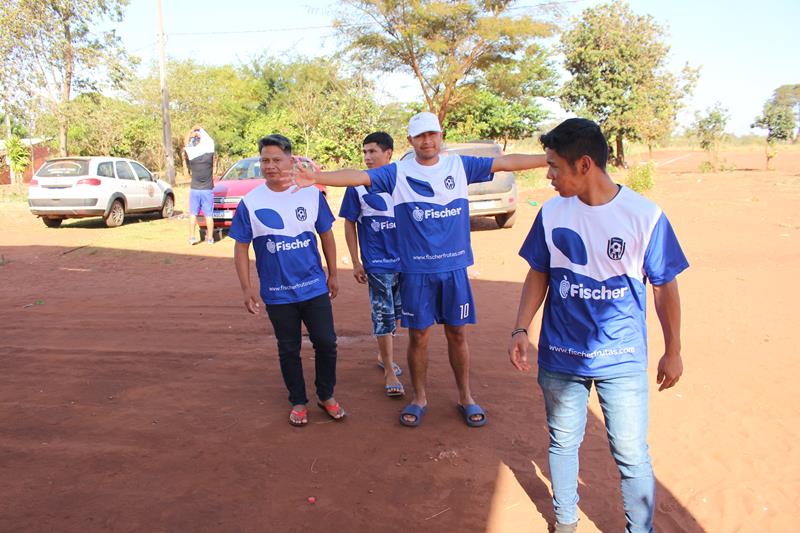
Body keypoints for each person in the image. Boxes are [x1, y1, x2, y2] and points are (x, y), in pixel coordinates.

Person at [293, 111, 548, 428]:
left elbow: (506, 163)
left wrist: (547, 158)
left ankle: (465, 397)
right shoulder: (397, 172)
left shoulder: (459, 165)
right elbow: (358, 177)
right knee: (419, 337)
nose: (427, 141)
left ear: (440, 136)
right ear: (410, 141)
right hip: (415, 272)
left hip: (454, 268)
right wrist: (317, 177)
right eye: (420, 136)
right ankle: (420, 398)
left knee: (457, 334)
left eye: (433, 134)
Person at [507, 118, 688, 533]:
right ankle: (565, 523)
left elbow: (664, 286)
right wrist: (521, 328)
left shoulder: (645, 215)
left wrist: (673, 349)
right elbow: (539, 271)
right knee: (563, 442)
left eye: (554, 167)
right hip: (560, 356)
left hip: (621, 357)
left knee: (630, 454)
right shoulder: (552, 214)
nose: (548, 176)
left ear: (584, 164)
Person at [229, 134, 345, 427]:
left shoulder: (310, 194)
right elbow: (241, 246)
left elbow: (327, 235)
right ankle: (298, 400)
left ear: (290, 161)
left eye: (276, 160)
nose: (270, 166)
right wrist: (246, 289)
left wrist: (332, 273)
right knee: (288, 347)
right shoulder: (251, 203)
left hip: (314, 287)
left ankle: (326, 395)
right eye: (264, 160)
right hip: (278, 292)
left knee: (326, 342)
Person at [338, 132, 404, 398]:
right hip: (377, 263)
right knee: (383, 315)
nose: (367, 157)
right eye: (364, 152)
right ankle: (389, 369)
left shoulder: (404, 182)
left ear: (388, 154)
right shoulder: (357, 186)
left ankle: (382, 354)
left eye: (372, 151)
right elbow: (349, 223)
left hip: (406, 263)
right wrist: (356, 261)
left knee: (398, 314)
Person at [184, 125, 216, 244]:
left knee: (193, 214)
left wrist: (191, 130)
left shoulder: (192, 154)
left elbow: (186, 142)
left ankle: (192, 238)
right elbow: (209, 140)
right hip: (207, 189)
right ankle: (210, 238)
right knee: (208, 215)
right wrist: (200, 130)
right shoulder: (209, 153)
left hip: (195, 189)